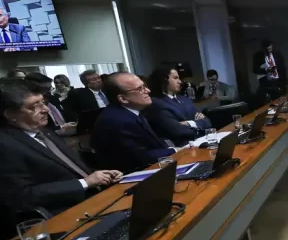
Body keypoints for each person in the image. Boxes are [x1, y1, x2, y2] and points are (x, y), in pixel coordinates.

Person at [0, 78, 122, 214]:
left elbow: (69, 170)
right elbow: (22, 195)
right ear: (10, 114)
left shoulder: (45, 131)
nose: (46, 109)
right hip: (65, 213)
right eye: (34, 106)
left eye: (43, 102)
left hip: (96, 199)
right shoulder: (5, 145)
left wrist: (102, 175)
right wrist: (84, 183)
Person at [91, 72, 178, 173]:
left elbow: (152, 145)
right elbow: (140, 158)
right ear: (123, 98)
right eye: (140, 89)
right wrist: (175, 150)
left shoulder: (129, 112)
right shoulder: (118, 121)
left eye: (145, 86)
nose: (148, 91)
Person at [145, 68, 212, 146]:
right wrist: (198, 126)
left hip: (201, 141)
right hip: (181, 147)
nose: (180, 81)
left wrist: (189, 123)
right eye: (175, 78)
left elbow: (207, 121)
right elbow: (177, 130)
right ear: (164, 80)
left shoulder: (184, 99)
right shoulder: (156, 103)